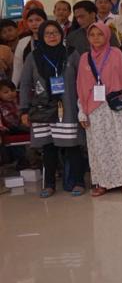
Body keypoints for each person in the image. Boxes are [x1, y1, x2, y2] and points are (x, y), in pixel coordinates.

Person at [19, 22, 86, 196]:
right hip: (42, 108)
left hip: (68, 107)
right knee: (48, 147)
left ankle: (78, 182)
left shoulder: (71, 53)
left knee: (72, 146)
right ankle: (49, 184)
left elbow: (83, 81)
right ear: (41, 36)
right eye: (47, 33)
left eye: (55, 32)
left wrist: (84, 107)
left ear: (61, 34)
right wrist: (24, 110)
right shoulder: (33, 56)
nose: (52, 36)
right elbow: (25, 84)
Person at [76, 22, 122, 196]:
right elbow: (81, 86)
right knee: (99, 146)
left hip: (115, 105)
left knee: (121, 143)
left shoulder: (116, 53)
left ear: (107, 36)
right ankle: (103, 182)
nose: (96, 38)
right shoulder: (84, 58)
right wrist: (82, 111)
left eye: (100, 34)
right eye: (92, 35)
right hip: (94, 109)